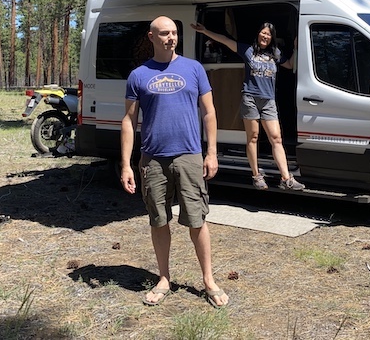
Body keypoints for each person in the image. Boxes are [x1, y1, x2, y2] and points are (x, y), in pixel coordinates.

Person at [120, 16, 229, 309]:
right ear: (151, 37)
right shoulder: (138, 75)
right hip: (153, 159)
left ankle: (208, 280)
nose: (171, 38)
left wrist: (212, 152)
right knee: (159, 220)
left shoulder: (194, 69)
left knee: (197, 220)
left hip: (190, 156)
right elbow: (129, 121)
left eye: (174, 33)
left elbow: (209, 112)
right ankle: (164, 278)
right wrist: (126, 164)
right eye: (165, 33)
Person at [190, 21, 305, 191]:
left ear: (272, 37)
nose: (265, 36)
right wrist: (206, 31)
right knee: (253, 137)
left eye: (268, 34)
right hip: (250, 98)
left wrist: (296, 47)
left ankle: (286, 178)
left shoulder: (275, 53)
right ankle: (256, 175)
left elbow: (289, 65)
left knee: (276, 138)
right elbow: (224, 40)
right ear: (258, 34)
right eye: (263, 33)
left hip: (269, 101)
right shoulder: (248, 50)